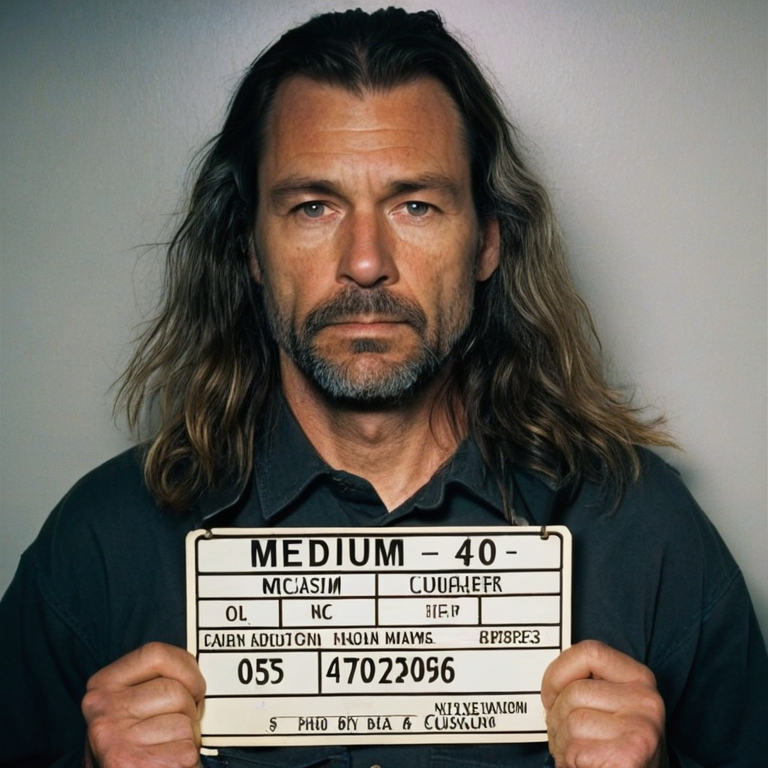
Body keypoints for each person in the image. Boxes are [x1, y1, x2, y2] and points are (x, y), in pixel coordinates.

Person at [1, 7, 766, 768]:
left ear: (488, 243)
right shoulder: (101, 543)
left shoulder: (646, 531)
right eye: (313, 206)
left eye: (415, 205)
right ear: (249, 251)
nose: (365, 262)